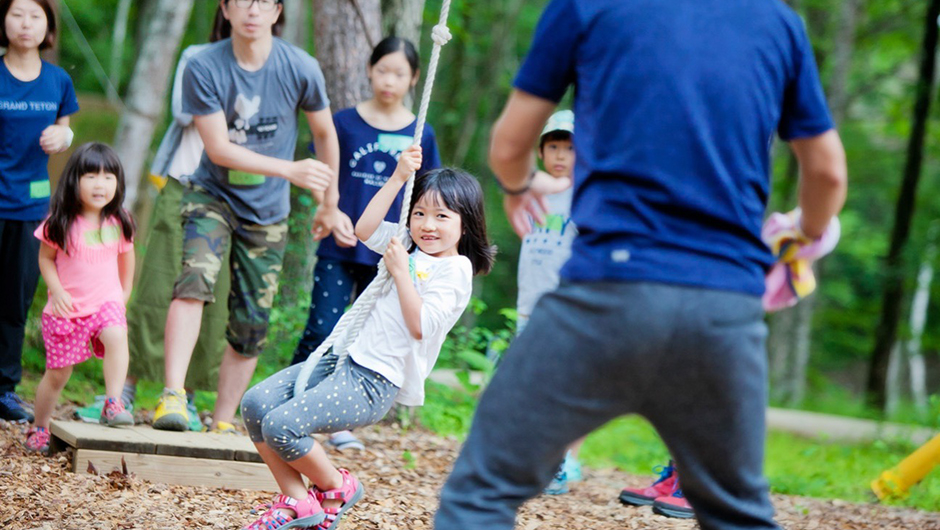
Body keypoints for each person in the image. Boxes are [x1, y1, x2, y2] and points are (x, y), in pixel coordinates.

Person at [434, 1, 847, 529]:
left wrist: (517, 186)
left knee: (480, 494)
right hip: (722, 308)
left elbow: (510, 143)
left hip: (605, 295)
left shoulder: (585, 6)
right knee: (738, 515)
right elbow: (829, 174)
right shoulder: (777, 22)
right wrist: (803, 240)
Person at [238, 145, 495, 530]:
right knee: (256, 404)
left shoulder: (455, 269)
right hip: (341, 358)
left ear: (465, 224)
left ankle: (337, 486)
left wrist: (401, 272)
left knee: (281, 426)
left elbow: (420, 325)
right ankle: (297, 500)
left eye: (442, 216)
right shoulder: (406, 243)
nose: (428, 225)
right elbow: (364, 229)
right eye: (420, 213)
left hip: (374, 380)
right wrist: (397, 178)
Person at [152, 0, 341, 433]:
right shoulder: (203, 65)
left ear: (277, 11)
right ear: (226, 8)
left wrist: (330, 202)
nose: (252, 10)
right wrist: (290, 170)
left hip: (268, 210)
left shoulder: (301, 67)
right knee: (194, 280)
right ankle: (173, 396)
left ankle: (222, 421)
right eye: (242, 0)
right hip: (212, 194)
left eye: (263, 2)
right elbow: (217, 148)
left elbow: (325, 134)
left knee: (252, 321)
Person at [292, 36, 442, 451]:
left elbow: (432, 192)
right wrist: (331, 208)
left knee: (363, 341)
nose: (388, 80)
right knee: (321, 328)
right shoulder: (343, 123)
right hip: (340, 246)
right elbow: (322, 175)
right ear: (369, 71)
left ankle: (335, 421)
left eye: (399, 73)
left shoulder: (420, 132)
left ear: (413, 78)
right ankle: (290, 405)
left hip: (391, 256)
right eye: (382, 70)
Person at [25, 143, 136, 452]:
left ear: (118, 183)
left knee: (116, 334)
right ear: (74, 180)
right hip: (67, 310)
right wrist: (57, 290)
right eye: (91, 176)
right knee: (58, 374)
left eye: (108, 177)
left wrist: (122, 296)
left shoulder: (119, 222)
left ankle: (113, 402)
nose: (100, 184)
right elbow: (46, 259)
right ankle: (40, 426)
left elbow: (127, 260)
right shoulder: (59, 222)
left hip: (105, 305)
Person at [0, 0, 78, 424]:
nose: (25, 23)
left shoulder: (57, 80)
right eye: (16, 13)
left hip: (30, 205)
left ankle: (4, 388)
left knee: (16, 298)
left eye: (35, 15)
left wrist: (65, 135)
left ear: (47, 23)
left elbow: (66, 127)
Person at [512, 109, 582, 495]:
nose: (560, 155)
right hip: (530, 304)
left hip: (566, 309)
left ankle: (561, 459)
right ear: (541, 152)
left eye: (569, 148)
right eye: (553, 146)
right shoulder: (530, 193)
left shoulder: (584, 196)